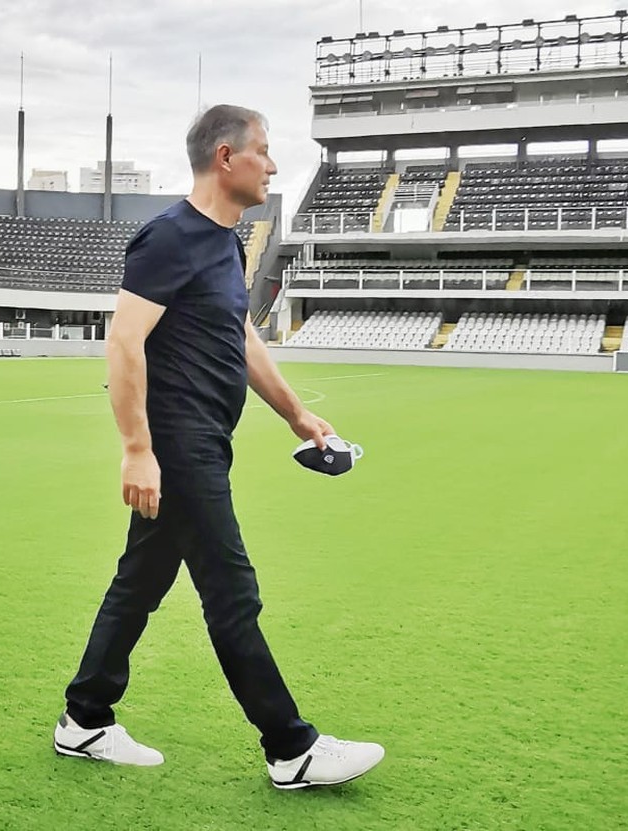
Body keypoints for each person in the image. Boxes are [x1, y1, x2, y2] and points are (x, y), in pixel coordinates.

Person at [54, 104, 384, 790]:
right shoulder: (167, 237)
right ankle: (291, 747)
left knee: (140, 581)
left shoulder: (228, 243)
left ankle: (84, 717)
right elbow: (123, 341)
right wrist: (137, 448)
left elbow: (239, 334)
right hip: (178, 448)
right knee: (233, 593)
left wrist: (297, 413)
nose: (272, 165)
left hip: (207, 439)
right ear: (226, 157)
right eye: (264, 151)